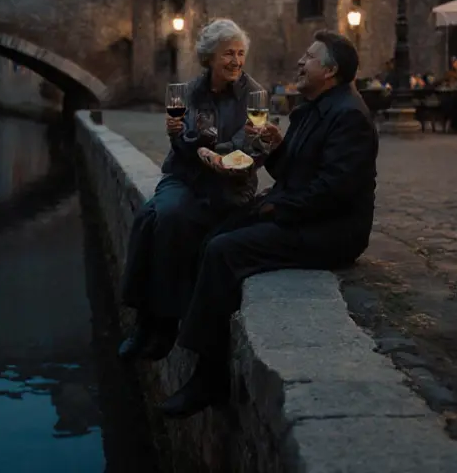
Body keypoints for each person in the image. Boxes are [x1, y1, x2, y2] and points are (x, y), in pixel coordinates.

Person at [158, 31, 378, 418]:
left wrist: (276, 210)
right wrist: (277, 149)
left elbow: (335, 192)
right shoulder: (314, 108)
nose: (300, 62)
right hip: (302, 211)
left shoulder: (349, 117)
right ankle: (187, 338)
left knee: (224, 251)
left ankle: (209, 377)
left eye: (309, 57)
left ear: (330, 71)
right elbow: (292, 171)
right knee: (214, 234)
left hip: (333, 230)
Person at [118, 19, 267, 362]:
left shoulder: (255, 94)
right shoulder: (187, 92)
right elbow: (182, 143)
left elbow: (252, 144)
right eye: (228, 53)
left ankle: (163, 323)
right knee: (150, 215)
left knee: (169, 217)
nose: (236, 61)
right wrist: (189, 141)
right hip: (185, 177)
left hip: (229, 183)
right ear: (209, 57)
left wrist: (211, 148)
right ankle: (145, 320)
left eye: (241, 54)